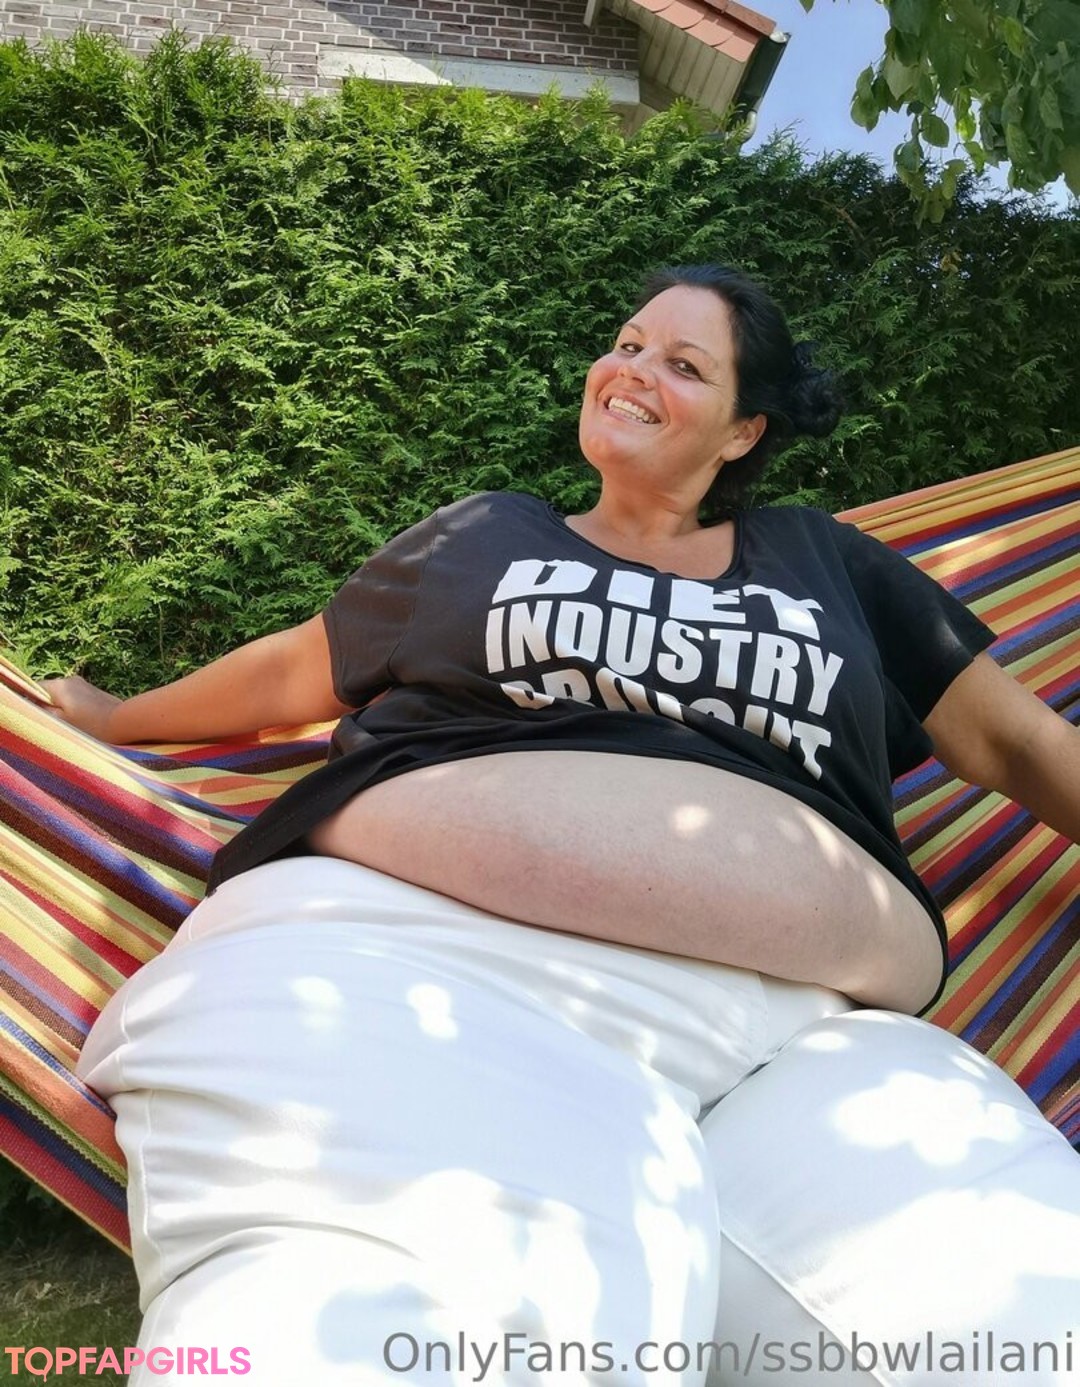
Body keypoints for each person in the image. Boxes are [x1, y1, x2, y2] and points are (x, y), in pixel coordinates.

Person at [52, 265, 1080, 1386]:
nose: (632, 370)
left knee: (1026, 1320)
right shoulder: (484, 533)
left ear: (743, 431)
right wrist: (115, 717)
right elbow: (296, 668)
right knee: (410, 1322)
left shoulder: (828, 562)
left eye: (682, 364)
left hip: (807, 1034)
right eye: (628, 344)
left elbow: (1022, 746)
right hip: (413, 961)